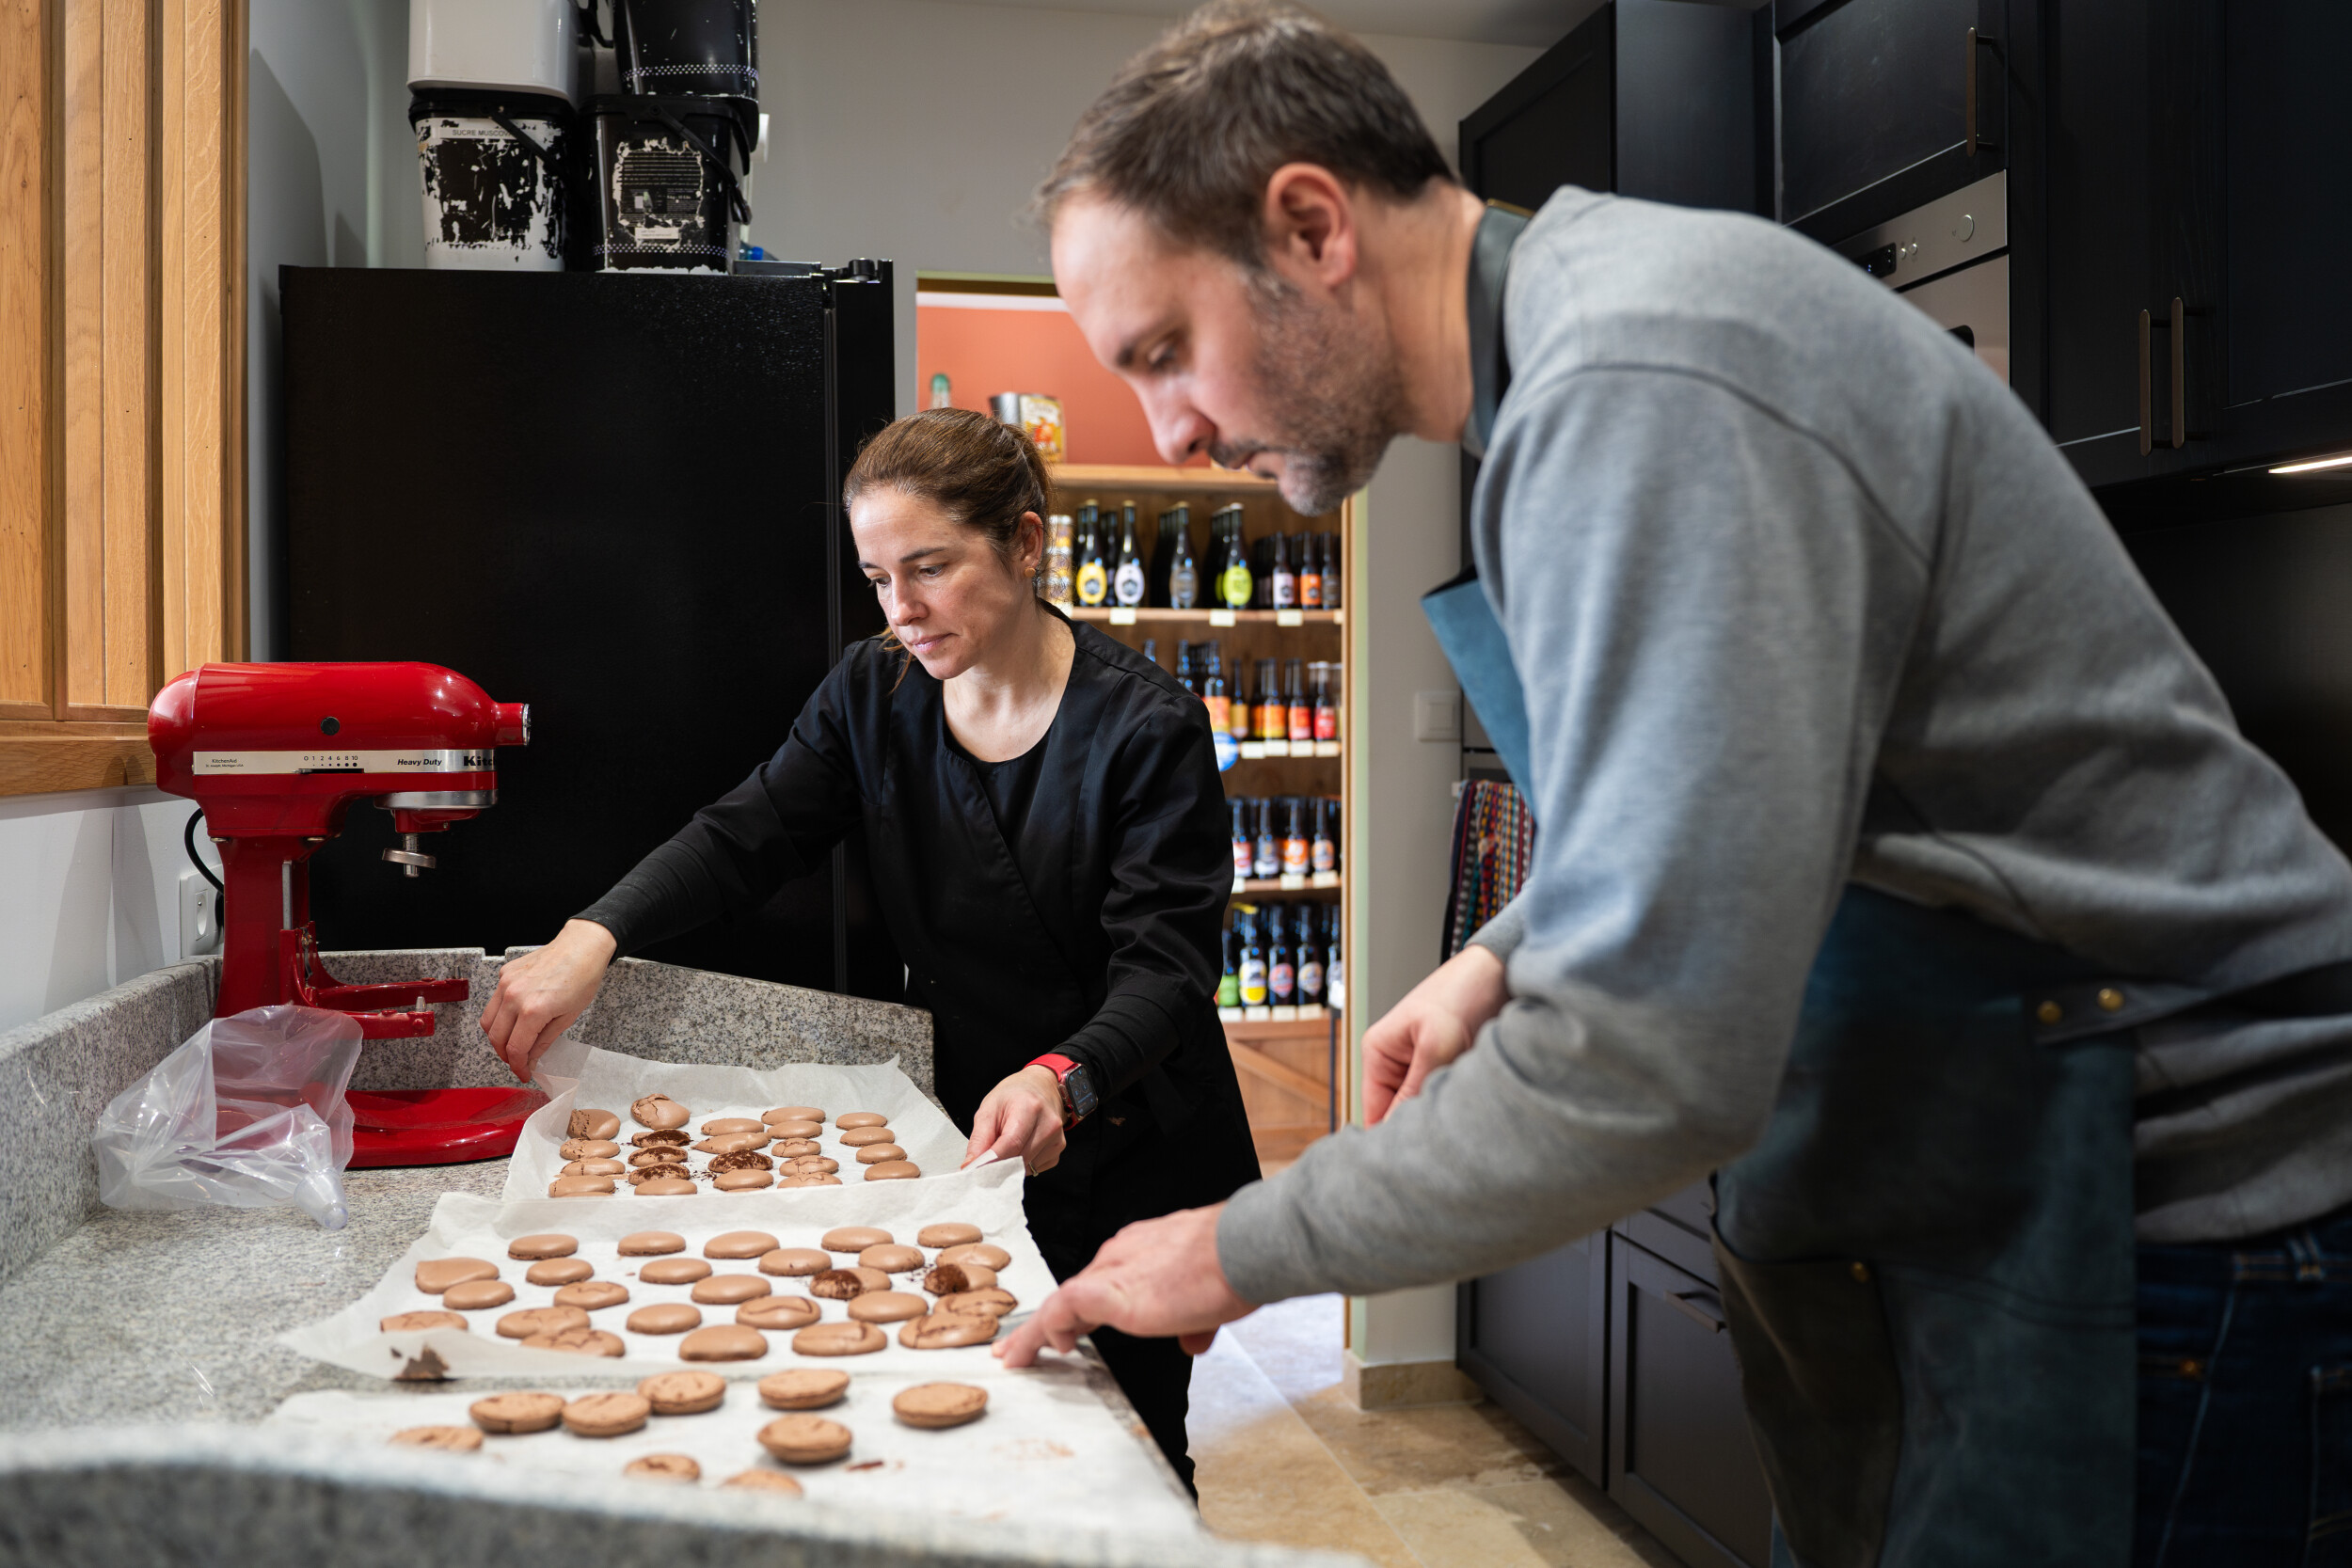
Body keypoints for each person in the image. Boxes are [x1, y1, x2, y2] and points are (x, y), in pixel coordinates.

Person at [996, 6, 2352, 1564]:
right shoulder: (1558, 377)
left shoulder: (1638, 375)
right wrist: (1511, 950)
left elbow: (1653, 1060)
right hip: (2010, 1172)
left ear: (1312, 226)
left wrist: (1238, 1245)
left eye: (1165, 352)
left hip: (2178, 1220)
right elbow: (1733, 789)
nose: (1167, 433)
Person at [484, 406, 1259, 1489]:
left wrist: (1062, 1077)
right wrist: (593, 930)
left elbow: (1167, 968)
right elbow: (744, 833)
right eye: (878, 576)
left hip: (1129, 1130)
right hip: (962, 1124)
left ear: (1026, 544)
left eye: (930, 568)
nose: (903, 608)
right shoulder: (872, 689)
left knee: (1119, 1452)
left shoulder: (1143, 727)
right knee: (970, 1442)